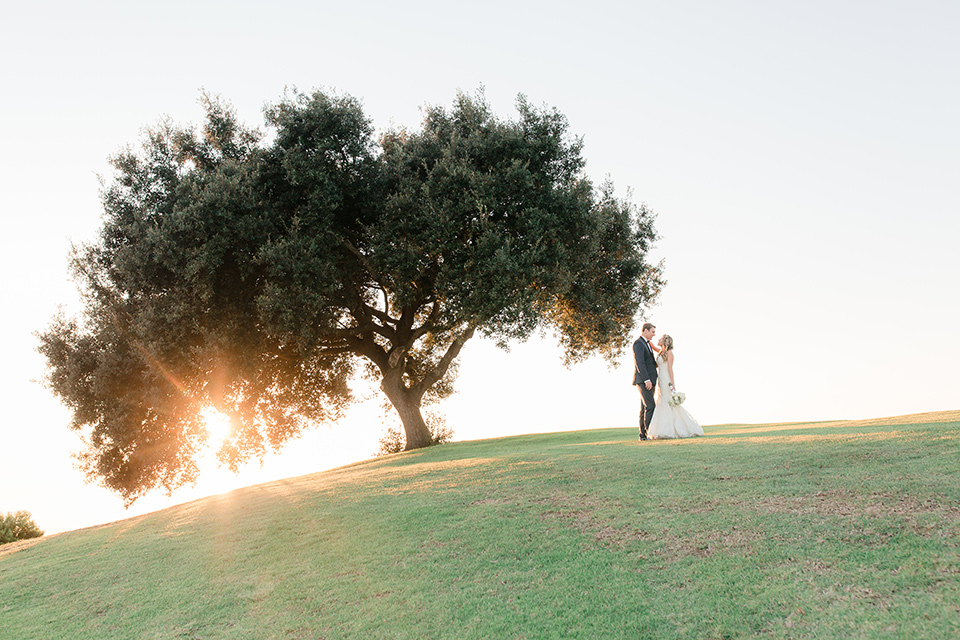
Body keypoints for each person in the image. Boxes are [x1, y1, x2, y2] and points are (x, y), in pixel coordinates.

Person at [647, 334, 703, 439]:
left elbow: (670, 369)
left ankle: (673, 429)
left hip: (666, 379)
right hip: (661, 379)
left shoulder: (669, 353)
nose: (658, 339)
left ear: (664, 341)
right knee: (662, 400)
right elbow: (654, 347)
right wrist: (647, 340)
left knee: (667, 401)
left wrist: (672, 385)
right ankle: (663, 428)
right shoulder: (661, 352)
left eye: (660, 339)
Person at [632, 323, 658, 440]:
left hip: (650, 380)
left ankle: (642, 435)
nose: (654, 334)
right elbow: (640, 363)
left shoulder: (647, 344)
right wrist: (646, 379)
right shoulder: (638, 343)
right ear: (646, 330)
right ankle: (649, 433)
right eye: (652, 332)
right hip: (644, 380)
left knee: (644, 408)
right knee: (651, 406)